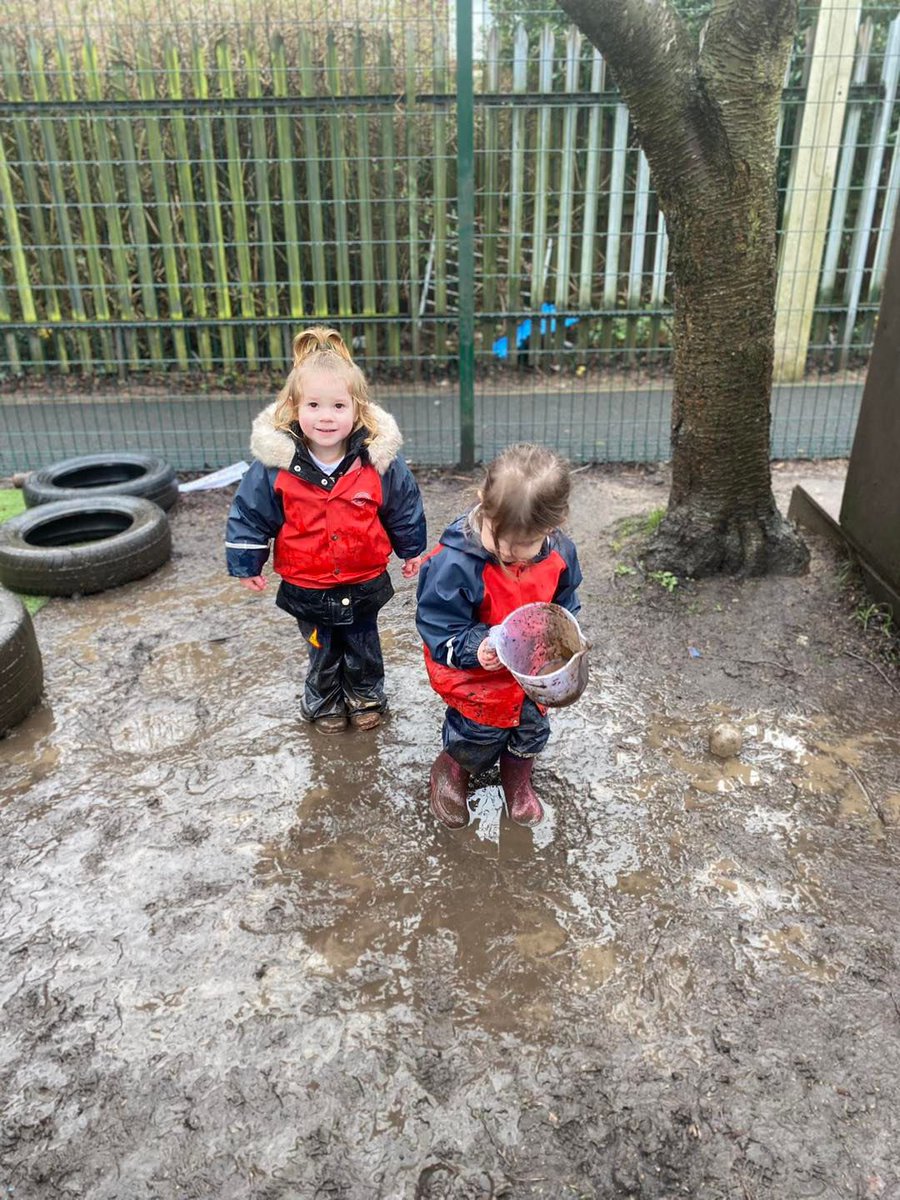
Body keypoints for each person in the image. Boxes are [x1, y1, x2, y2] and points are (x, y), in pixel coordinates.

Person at [226, 327, 426, 733]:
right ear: (294, 407)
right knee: (321, 646)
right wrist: (247, 562)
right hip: (307, 582)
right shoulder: (274, 467)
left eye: (338, 405)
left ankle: (366, 695)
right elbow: (250, 514)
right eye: (314, 405)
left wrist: (412, 550)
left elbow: (403, 506)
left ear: (358, 409)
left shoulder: (378, 462)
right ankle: (324, 700)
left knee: (363, 643)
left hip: (363, 578)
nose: (326, 416)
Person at [416, 443, 583, 829]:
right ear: (483, 503)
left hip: (530, 673)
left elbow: (565, 601)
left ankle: (518, 781)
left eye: (525, 545)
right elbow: (438, 625)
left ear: (552, 526)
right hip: (478, 674)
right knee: (476, 731)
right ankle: (453, 769)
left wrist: (565, 635)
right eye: (500, 540)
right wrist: (478, 647)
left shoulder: (560, 553)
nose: (510, 553)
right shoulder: (454, 563)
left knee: (532, 729)